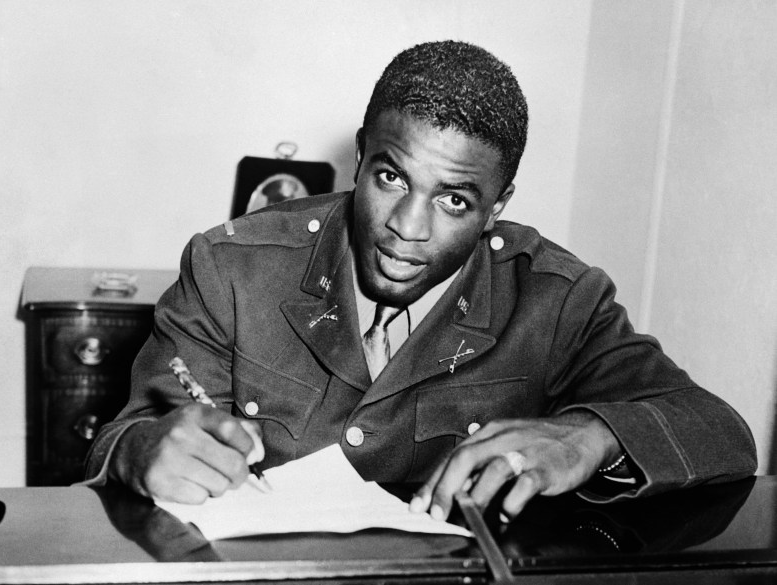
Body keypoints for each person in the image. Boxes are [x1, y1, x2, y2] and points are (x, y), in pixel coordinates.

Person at [84, 40, 756, 523]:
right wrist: (140, 450)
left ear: (498, 206)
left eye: (454, 200)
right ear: (359, 156)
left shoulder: (558, 299)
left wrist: (587, 436)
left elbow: (721, 431)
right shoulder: (231, 266)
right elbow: (121, 439)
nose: (407, 227)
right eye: (391, 177)